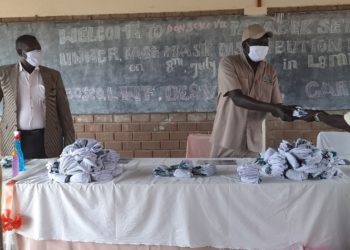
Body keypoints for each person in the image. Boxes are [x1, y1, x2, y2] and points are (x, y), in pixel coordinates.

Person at [210, 24, 295, 158]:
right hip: (227, 139)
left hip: (253, 142)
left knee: (253, 177)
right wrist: (274, 108)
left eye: (265, 43)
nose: (262, 46)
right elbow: (237, 98)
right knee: (220, 176)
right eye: (257, 43)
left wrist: (292, 112)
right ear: (245, 45)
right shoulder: (229, 63)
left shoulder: (270, 71)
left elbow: (276, 105)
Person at [0, 34, 75, 159]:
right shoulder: (4, 74)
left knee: (48, 175)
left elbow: (64, 112)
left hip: (47, 139)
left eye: (38, 49)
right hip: (15, 139)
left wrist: (70, 145)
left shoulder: (52, 75)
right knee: (16, 176)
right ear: (20, 52)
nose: (37, 53)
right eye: (31, 50)